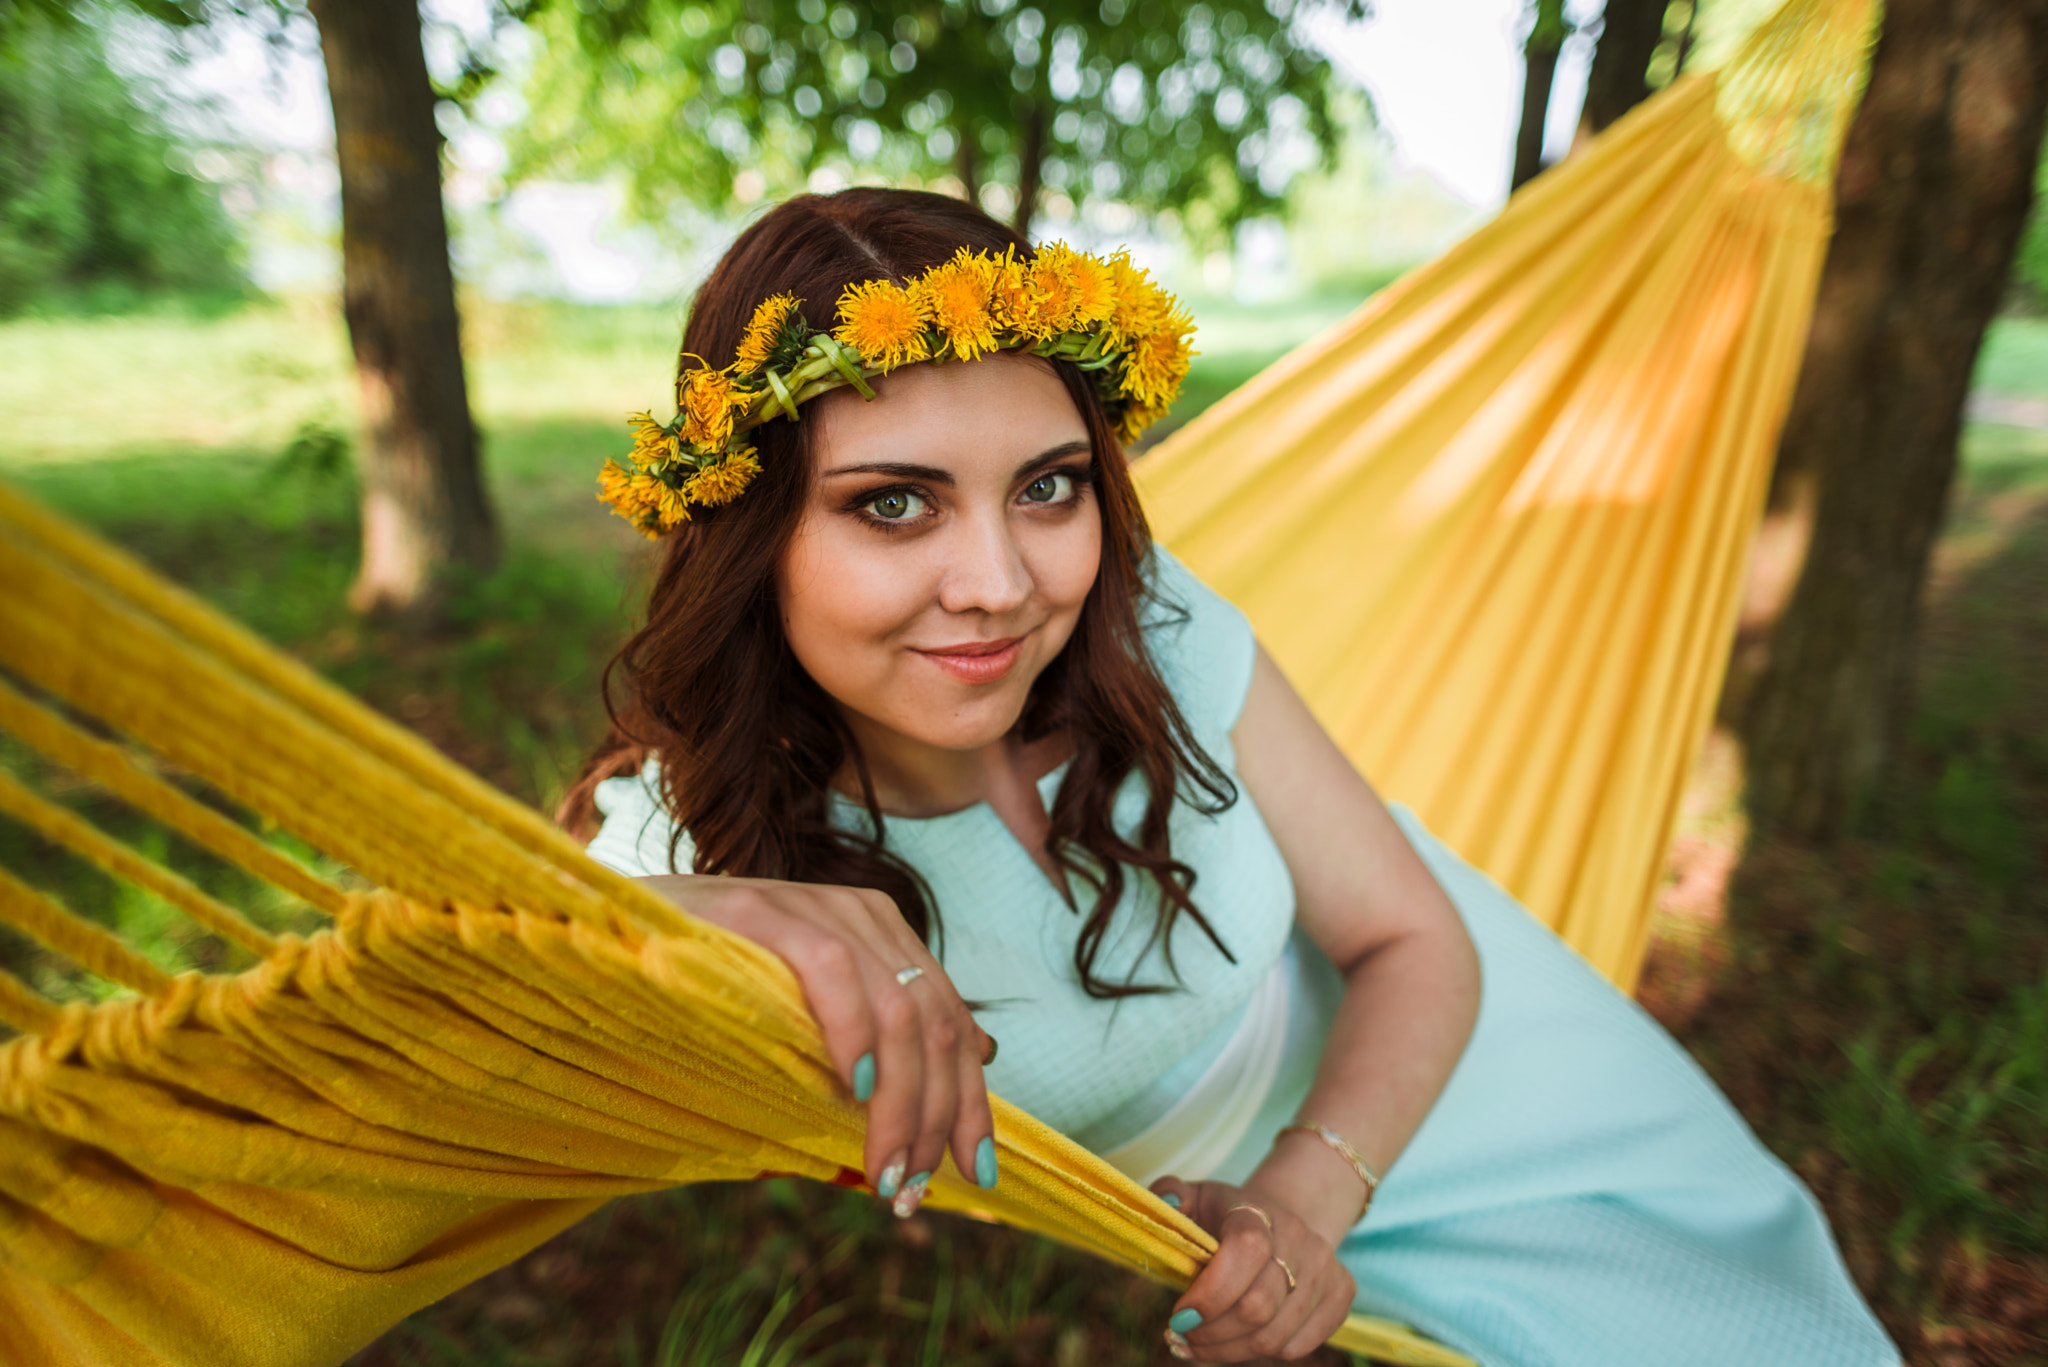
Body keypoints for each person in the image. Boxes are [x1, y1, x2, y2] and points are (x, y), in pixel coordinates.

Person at [560, 187, 1898, 1366]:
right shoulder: (697, 842)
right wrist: (712, 913)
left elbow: (1412, 932)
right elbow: (482, 978)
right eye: (893, 502)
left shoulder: (1147, 624)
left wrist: (1301, 1200)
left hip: (1503, 1082)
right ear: (752, 530)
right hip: (1281, 1245)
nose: (1002, 586)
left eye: (1049, 488)